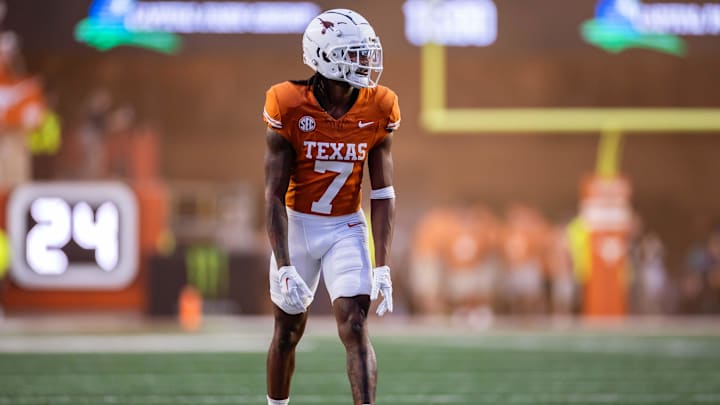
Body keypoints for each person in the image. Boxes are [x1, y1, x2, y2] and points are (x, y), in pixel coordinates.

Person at [262, 9, 400, 405]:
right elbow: (273, 194)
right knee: (287, 331)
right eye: (355, 53)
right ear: (324, 55)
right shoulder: (288, 103)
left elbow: (383, 192)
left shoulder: (380, 106)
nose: (365, 61)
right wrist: (284, 263)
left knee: (355, 326)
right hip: (298, 224)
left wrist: (383, 265)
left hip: (345, 226)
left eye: (366, 52)